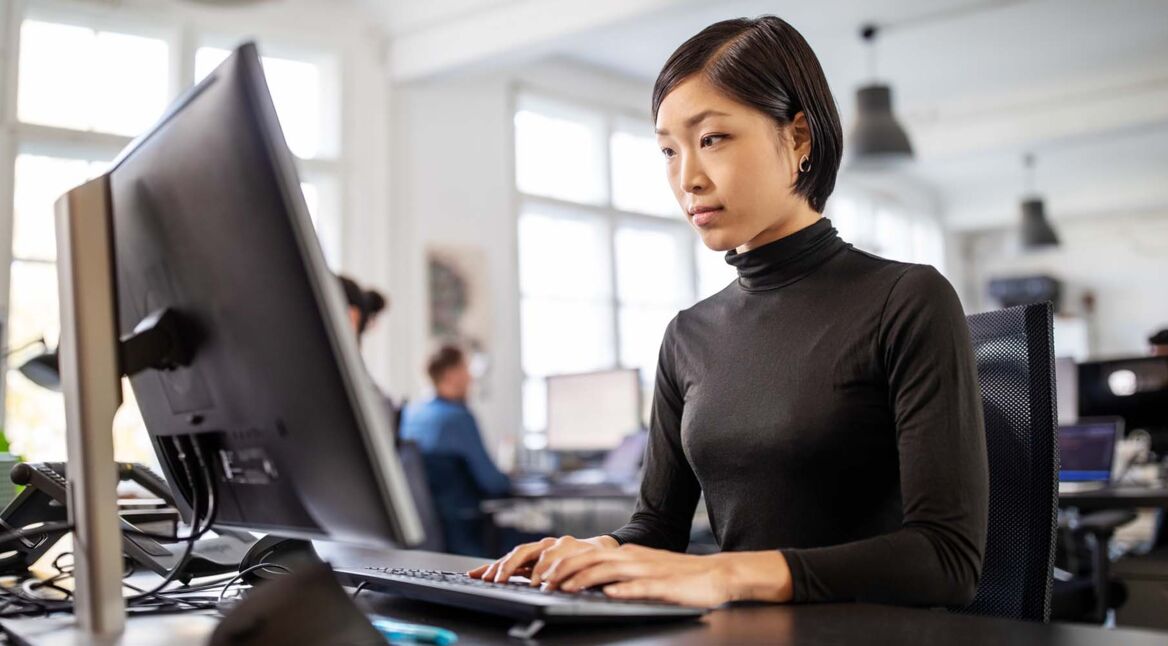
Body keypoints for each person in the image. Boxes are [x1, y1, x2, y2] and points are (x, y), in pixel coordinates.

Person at [470, 15, 988, 609]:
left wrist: (727, 573)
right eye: (668, 150)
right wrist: (596, 551)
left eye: (711, 139)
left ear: (798, 139)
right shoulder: (688, 334)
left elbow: (946, 560)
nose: (687, 177)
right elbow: (656, 530)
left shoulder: (906, 300)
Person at [400, 345, 512, 556]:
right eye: (467, 369)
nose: (471, 378)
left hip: (425, 535)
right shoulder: (458, 418)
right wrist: (509, 478)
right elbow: (493, 483)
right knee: (550, 539)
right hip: (464, 536)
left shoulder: (411, 414)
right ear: (452, 375)